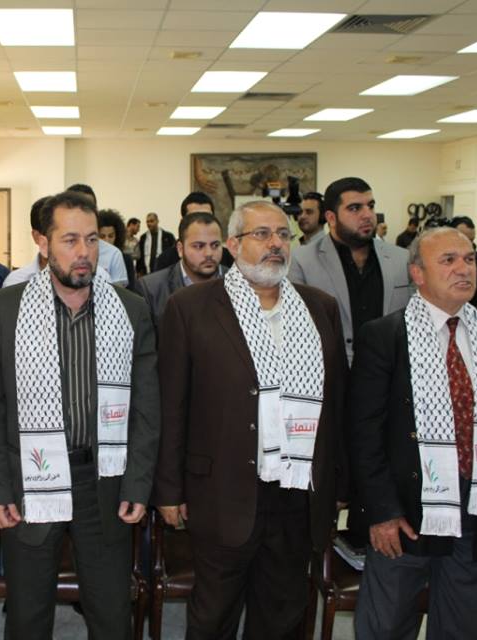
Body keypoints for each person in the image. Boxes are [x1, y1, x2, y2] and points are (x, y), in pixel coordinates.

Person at [155, 201, 346, 640]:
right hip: (221, 491)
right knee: (213, 617)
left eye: (283, 235)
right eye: (262, 234)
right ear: (233, 245)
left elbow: (337, 405)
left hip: (297, 493)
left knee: (282, 615)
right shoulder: (191, 307)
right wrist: (169, 490)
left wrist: (339, 483)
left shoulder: (320, 308)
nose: (275, 244)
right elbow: (172, 404)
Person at [0, 190, 160, 640]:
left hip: (105, 480)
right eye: (70, 240)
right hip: (29, 479)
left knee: (111, 614)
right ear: (42, 242)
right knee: (27, 614)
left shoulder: (131, 310)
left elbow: (146, 407)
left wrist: (138, 483)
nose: (84, 252)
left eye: (92, 240)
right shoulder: (4, 308)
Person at [349, 227, 477, 640]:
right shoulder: (385, 336)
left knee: (464, 627)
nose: (464, 269)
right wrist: (382, 511)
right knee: (387, 626)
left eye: (469, 259)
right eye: (448, 260)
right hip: (406, 513)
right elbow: (364, 432)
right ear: (417, 274)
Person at [290, 177, 411, 364]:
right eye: (355, 208)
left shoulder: (401, 259)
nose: (367, 215)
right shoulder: (302, 261)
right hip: (332, 369)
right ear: (331, 218)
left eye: (371, 206)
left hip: (389, 369)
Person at [136, 211, 225, 334]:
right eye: (199, 246)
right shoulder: (151, 289)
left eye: (215, 245)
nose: (209, 253)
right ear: (180, 249)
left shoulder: (240, 283)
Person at [152, 192, 217, 273]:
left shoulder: (227, 258)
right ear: (182, 222)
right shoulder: (165, 261)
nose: (202, 224)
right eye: (194, 218)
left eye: (207, 218)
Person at [97, 208, 137, 289]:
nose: (107, 240)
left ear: (117, 236)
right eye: (102, 236)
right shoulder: (90, 257)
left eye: (111, 236)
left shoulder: (126, 259)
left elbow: (130, 291)